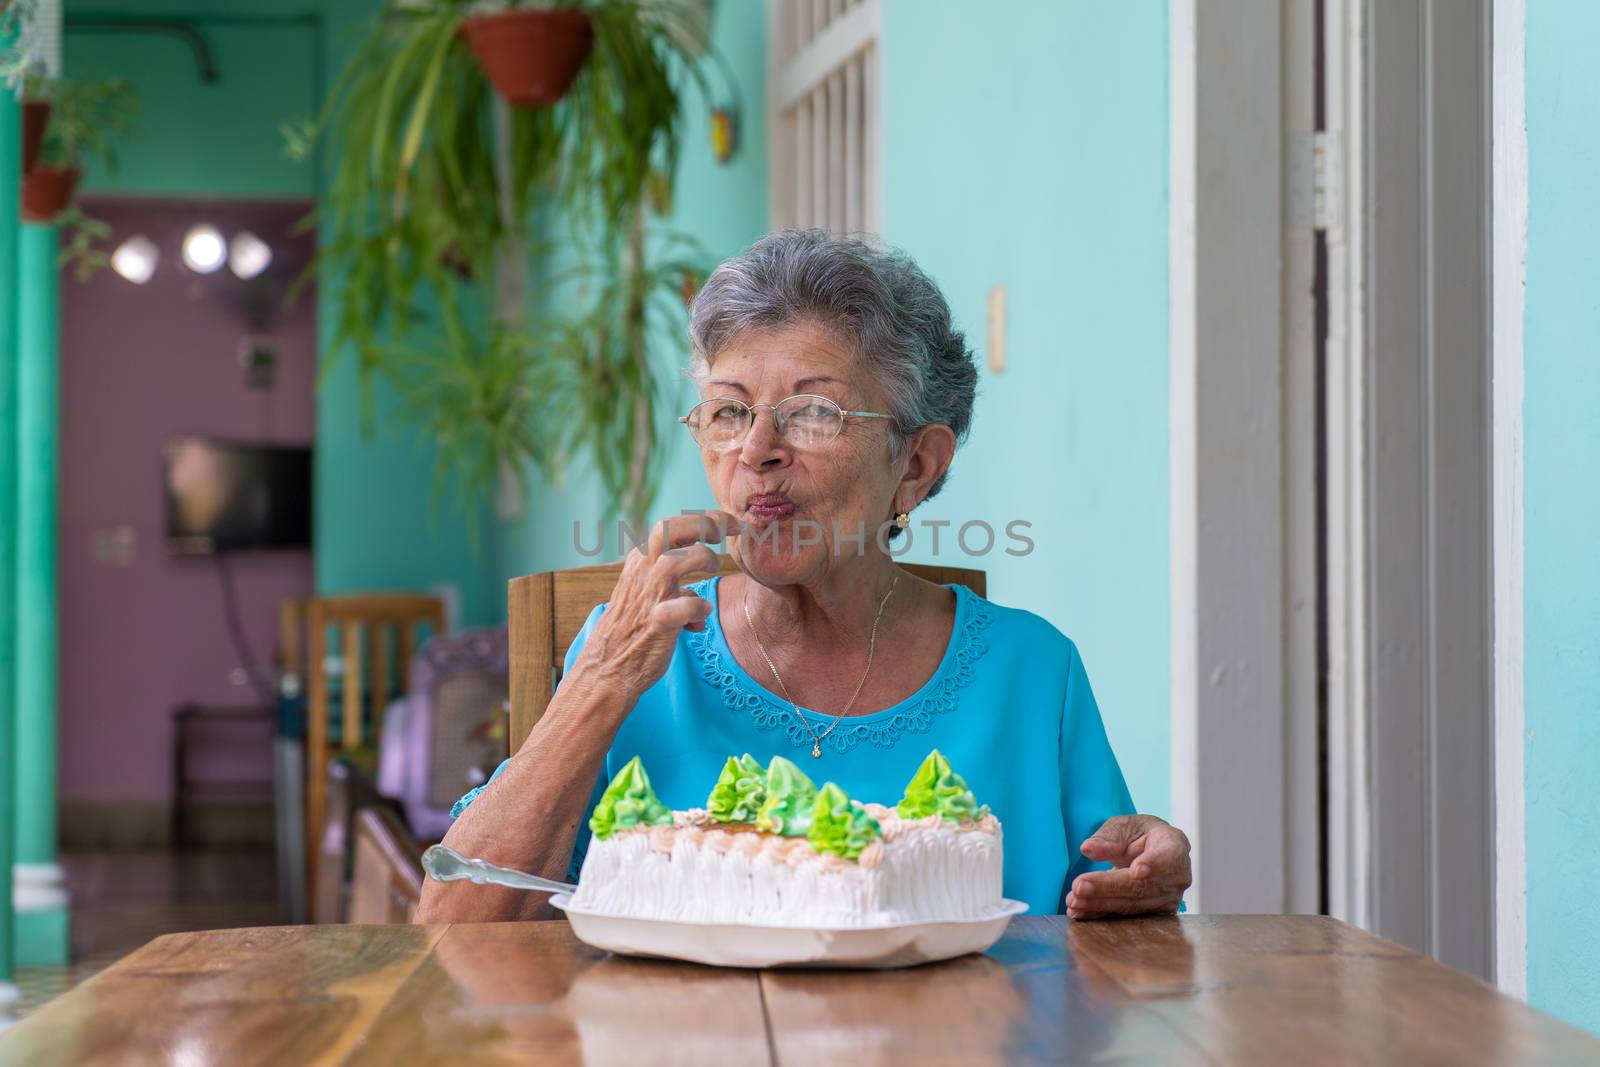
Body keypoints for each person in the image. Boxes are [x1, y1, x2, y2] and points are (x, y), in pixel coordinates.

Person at [415, 229, 1191, 923]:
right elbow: (453, 932)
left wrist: (1151, 876)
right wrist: (600, 683)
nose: (757, 449)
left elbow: (1117, 910)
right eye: (727, 411)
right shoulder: (639, 656)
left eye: (813, 413)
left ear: (916, 464)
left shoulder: (1032, 671)